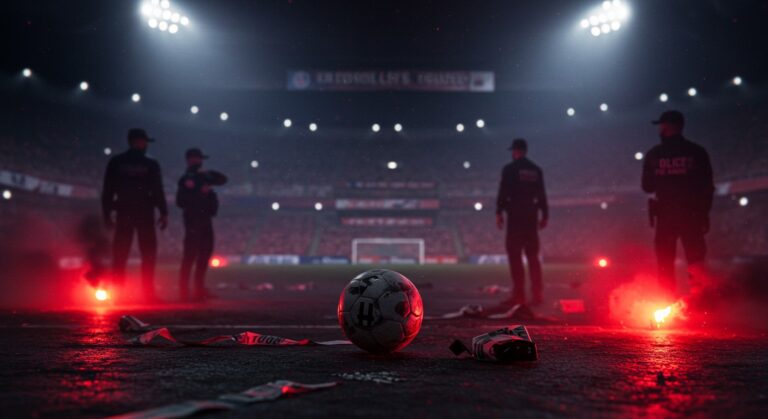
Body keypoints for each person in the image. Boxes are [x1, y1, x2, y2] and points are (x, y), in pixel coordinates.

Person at [642, 110, 714, 297]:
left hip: (666, 215)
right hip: (692, 214)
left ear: (667, 126)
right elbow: (707, 187)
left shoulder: (654, 154)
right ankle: (700, 302)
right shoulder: (697, 152)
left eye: (661, 125)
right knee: (696, 260)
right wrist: (704, 213)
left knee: (665, 261)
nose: (659, 129)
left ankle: (667, 301)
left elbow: (647, 187)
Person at [101, 129, 168, 302]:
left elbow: (108, 191)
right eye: (144, 141)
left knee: (121, 255)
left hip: (125, 212)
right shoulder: (151, 164)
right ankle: (148, 294)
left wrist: (107, 214)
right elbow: (157, 189)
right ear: (137, 142)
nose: (145, 145)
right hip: (143, 213)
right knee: (147, 254)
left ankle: (118, 294)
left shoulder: (117, 162)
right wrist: (163, 212)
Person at [495, 138, 549, 306]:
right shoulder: (536, 170)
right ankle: (537, 294)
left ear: (516, 151)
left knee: (515, 257)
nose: (513, 153)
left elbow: (504, 191)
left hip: (515, 217)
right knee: (533, 257)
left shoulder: (510, 169)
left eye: (513, 151)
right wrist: (544, 214)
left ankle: (519, 296)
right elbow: (541, 194)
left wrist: (499, 212)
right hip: (531, 217)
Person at [176, 148, 228, 302]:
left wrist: (207, 175)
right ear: (190, 160)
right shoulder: (186, 179)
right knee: (190, 255)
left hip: (206, 219)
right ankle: (184, 291)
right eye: (197, 159)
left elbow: (223, 179)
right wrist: (198, 192)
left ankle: (199, 289)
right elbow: (180, 202)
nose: (200, 162)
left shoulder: (204, 176)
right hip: (193, 219)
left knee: (204, 254)